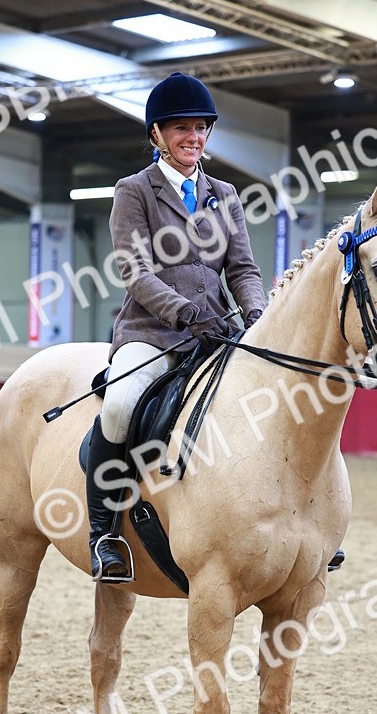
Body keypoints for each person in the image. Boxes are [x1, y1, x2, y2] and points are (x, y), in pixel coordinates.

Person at [85, 71, 267, 580]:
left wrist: (256, 315)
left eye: (201, 127)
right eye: (181, 127)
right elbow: (135, 271)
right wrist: (184, 312)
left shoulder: (224, 194)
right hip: (153, 333)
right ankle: (104, 533)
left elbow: (243, 269)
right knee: (119, 405)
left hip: (219, 332)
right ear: (157, 134)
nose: (194, 137)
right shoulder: (134, 191)